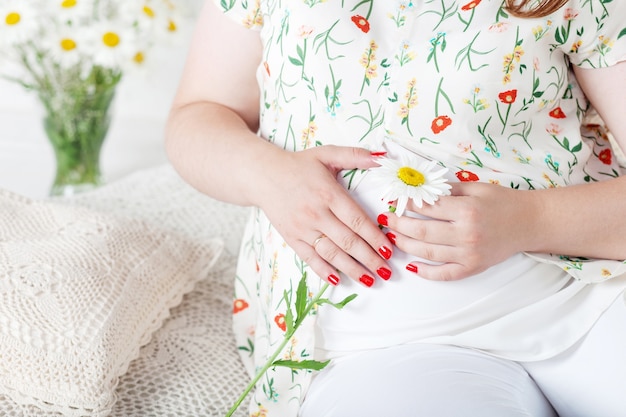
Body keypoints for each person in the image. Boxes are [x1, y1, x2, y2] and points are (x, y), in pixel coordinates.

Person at [165, 0, 626, 415]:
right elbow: (199, 114)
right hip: (381, 350)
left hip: (583, 303)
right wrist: (268, 175)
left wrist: (530, 221)